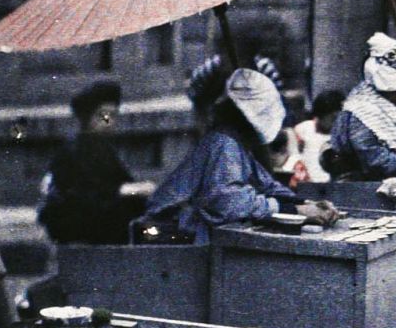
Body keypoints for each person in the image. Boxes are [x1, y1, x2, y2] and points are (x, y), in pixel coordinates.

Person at [140, 65, 336, 243]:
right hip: (169, 233)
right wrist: (296, 210)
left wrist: (306, 203)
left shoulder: (238, 146)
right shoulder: (224, 144)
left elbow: (266, 184)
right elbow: (229, 202)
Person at [37, 79, 146, 246]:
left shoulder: (103, 147)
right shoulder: (76, 149)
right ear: (88, 117)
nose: (109, 121)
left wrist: (135, 190)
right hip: (77, 219)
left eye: (113, 115)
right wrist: (124, 191)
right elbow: (82, 193)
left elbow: (121, 181)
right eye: (103, 115)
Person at [326, 33, 396, 180]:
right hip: (360, 187)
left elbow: (382, 148)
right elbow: (377, 165)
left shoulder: (379, 105)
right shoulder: (363, 113)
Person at [292, 90, 344, 183]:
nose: (336, 122)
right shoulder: (303, 129)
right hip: (307, 181)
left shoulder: (341, 136)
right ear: (321, 114)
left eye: (338, 118)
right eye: (333, 118)